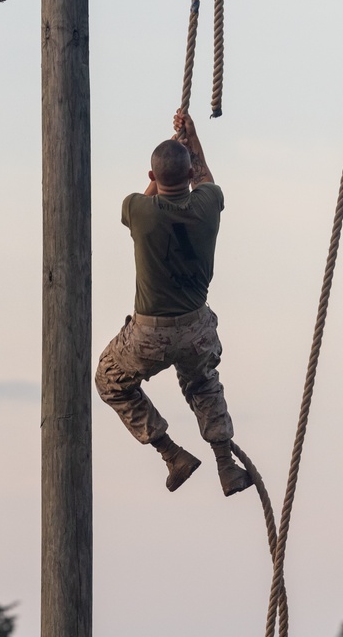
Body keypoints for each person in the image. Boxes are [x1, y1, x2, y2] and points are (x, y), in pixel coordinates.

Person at [94, 110, 252, 497]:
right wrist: (192, 141)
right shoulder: (209, 204)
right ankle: (225, 466)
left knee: (108, 381)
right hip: (196, 327)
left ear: (152, 177)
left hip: (150, 335)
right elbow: (205, 179)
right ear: (189, 176)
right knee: (203, 384)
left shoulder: (138, 210)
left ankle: (171, 454)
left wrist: (159, 179)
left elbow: (146, 201)